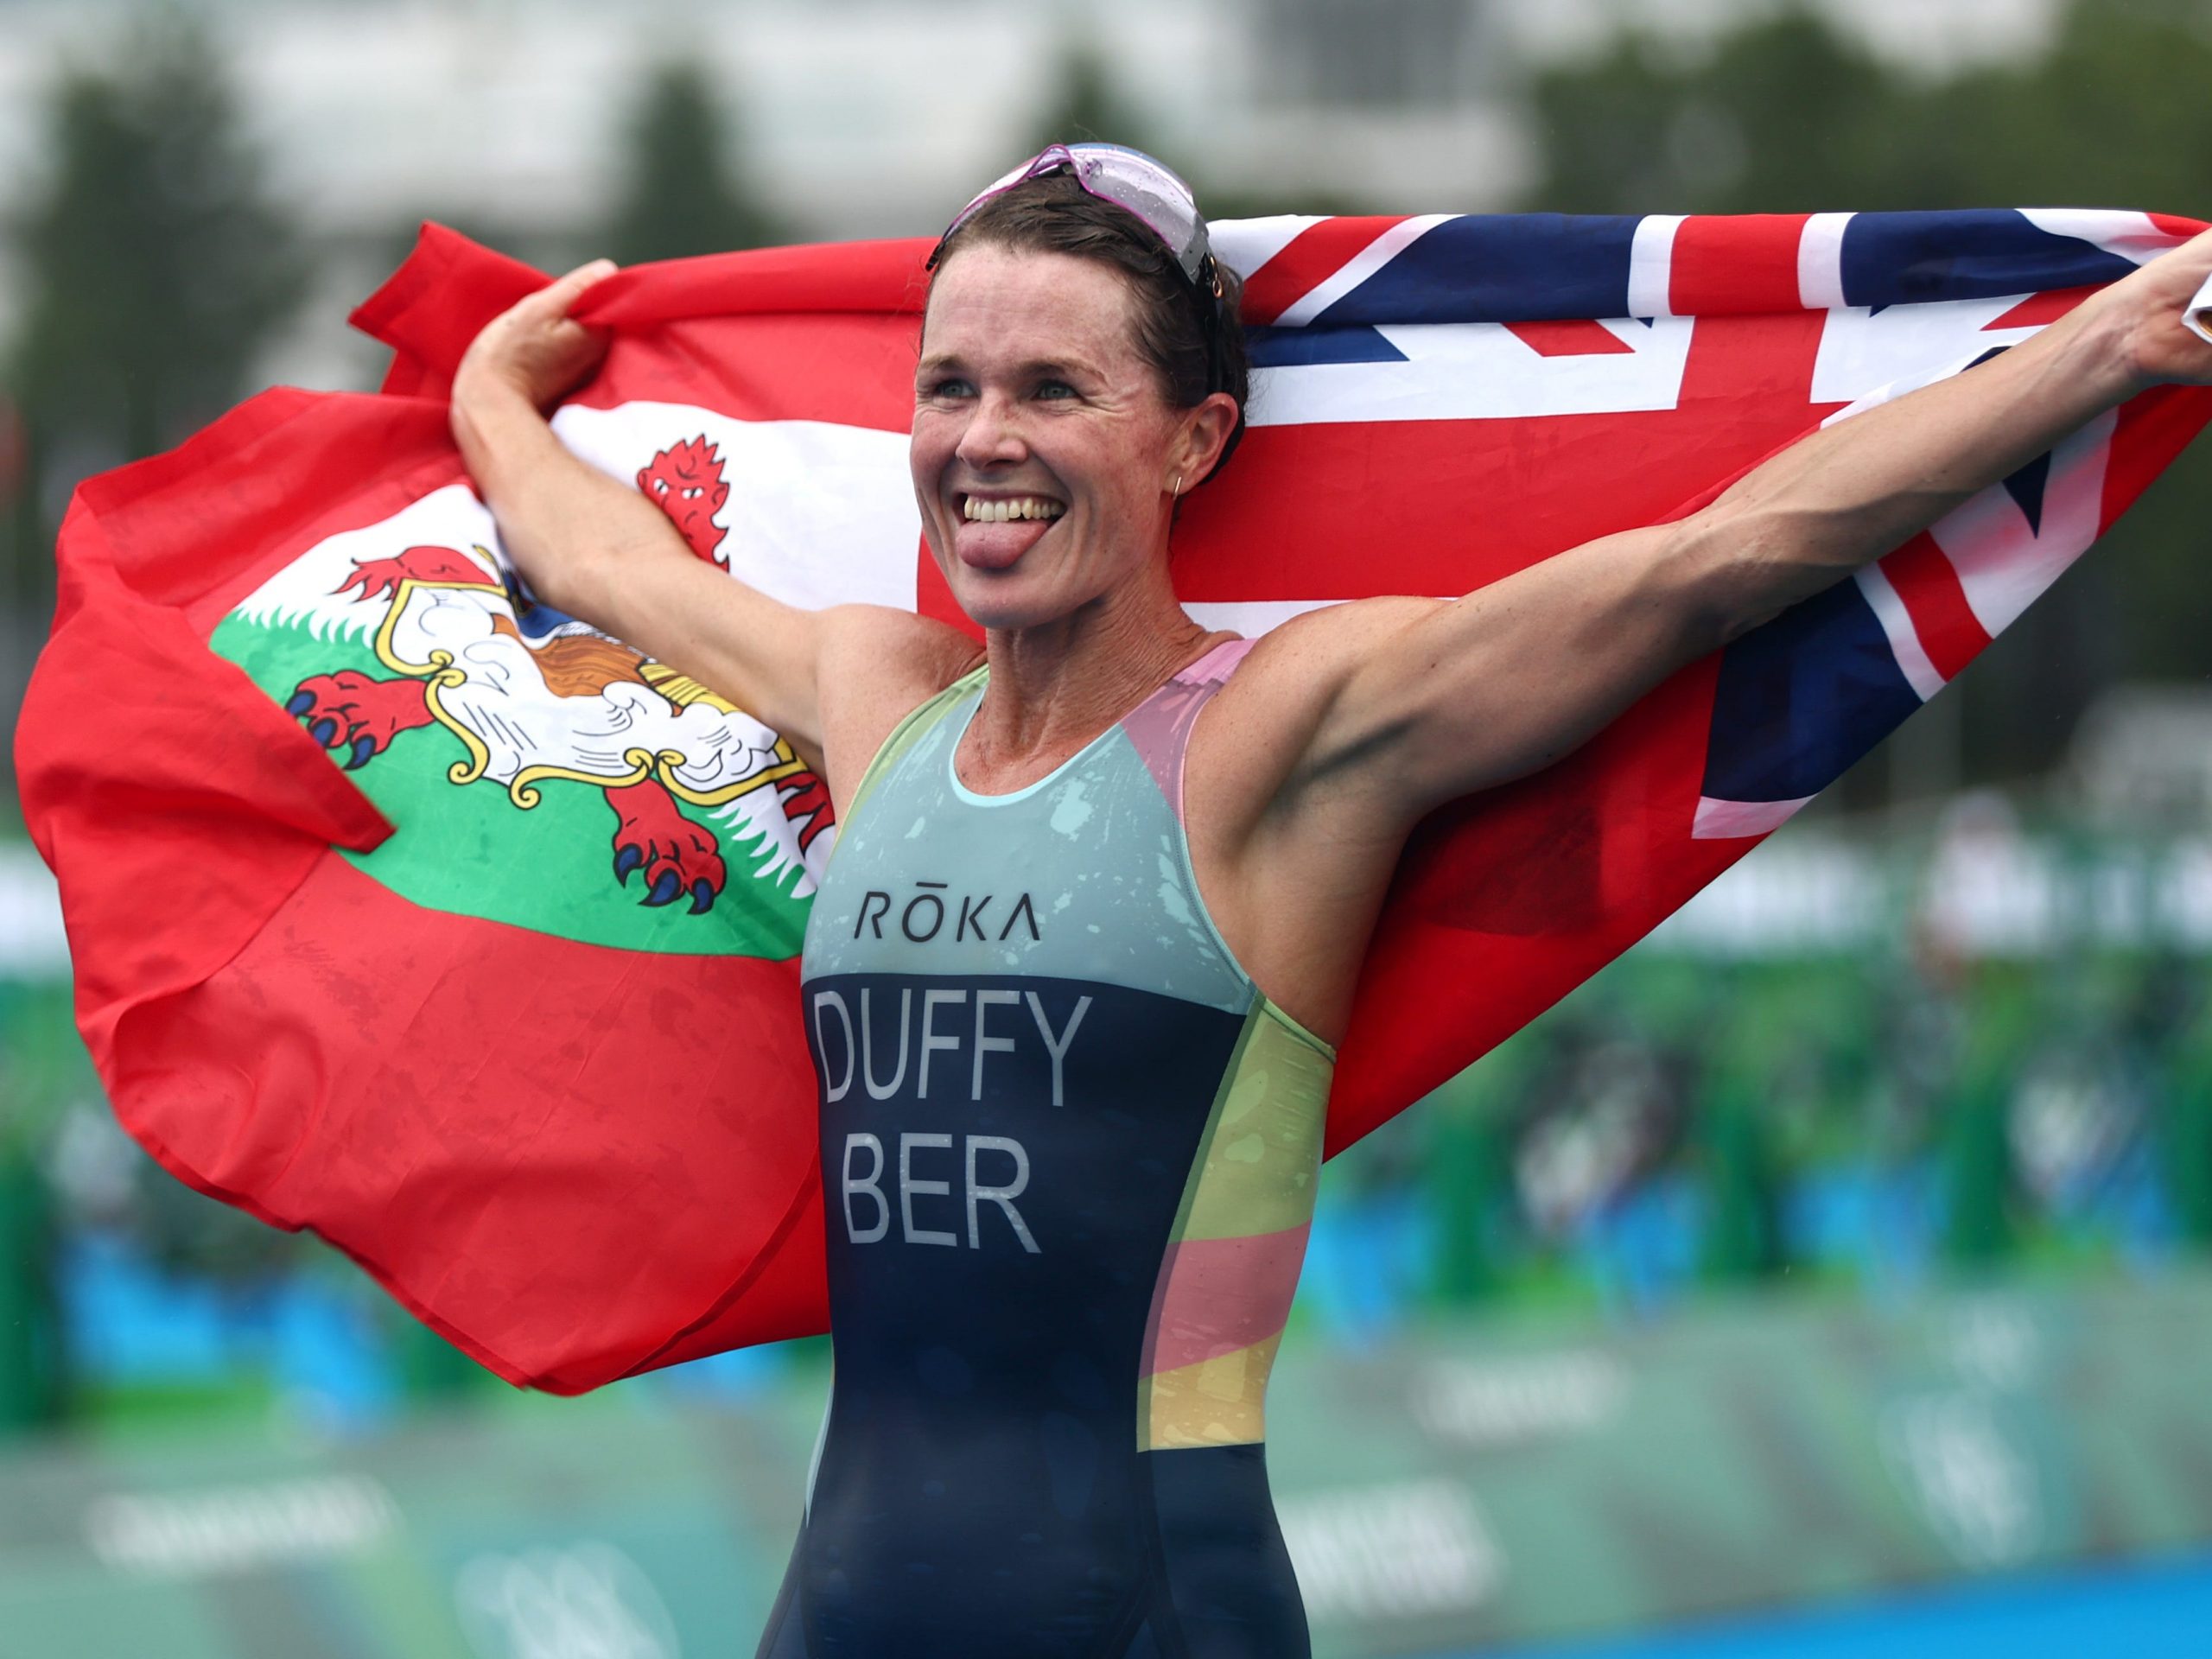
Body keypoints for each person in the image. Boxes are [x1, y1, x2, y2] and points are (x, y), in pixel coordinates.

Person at [449, 144, 2212, 1656]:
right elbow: (607, 563)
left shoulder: (1281, 737)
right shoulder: (873, 703)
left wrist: (2103, 348)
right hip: (837, 1601)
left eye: (1053, 391)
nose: (983, 439)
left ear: (1194, 437)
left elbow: (1711, 563)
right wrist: (484, 396)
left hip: (1147, 1601)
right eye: (949, 386)